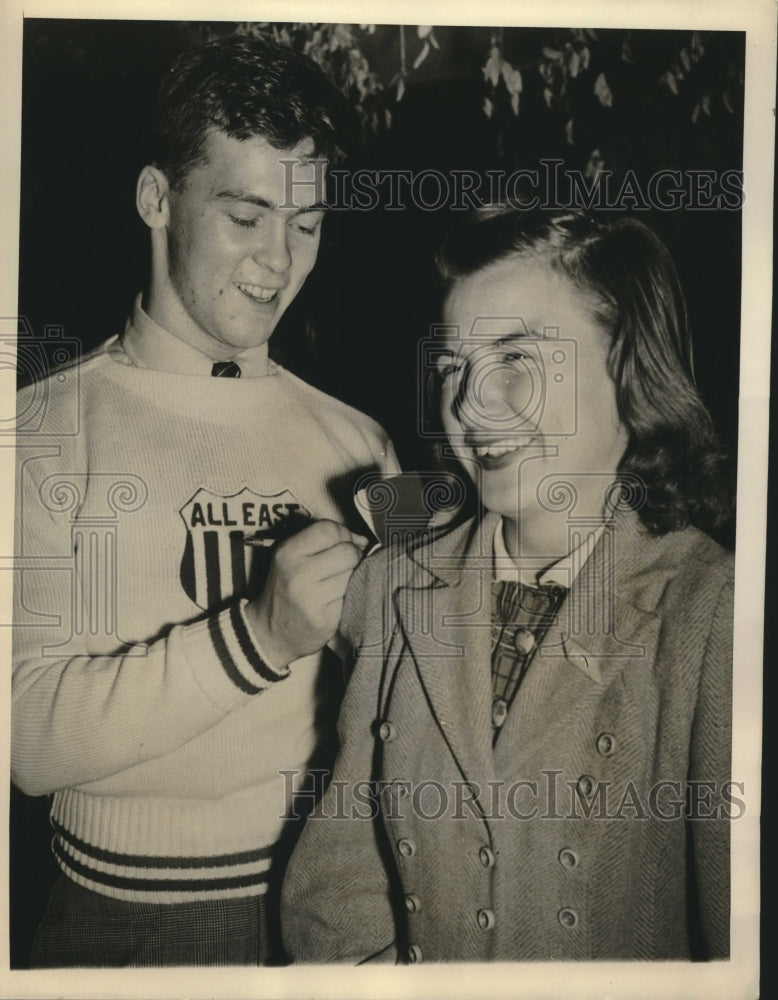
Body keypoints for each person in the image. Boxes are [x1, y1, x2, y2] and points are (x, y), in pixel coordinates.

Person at [12, 35, 397, 967]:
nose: (279, 260)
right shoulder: (40, 430)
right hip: (124, 922)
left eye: (306, 224)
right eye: (246, 215)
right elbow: (24, 738)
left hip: (336, 909)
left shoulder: (359, 443)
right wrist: (259, 636)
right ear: (157, 198)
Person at [281, 208, 735, 963]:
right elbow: (339, 891)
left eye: (516, 356)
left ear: (628, 366)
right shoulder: (392, 586)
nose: (468, 403)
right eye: (453, 365)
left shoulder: (709, 611)